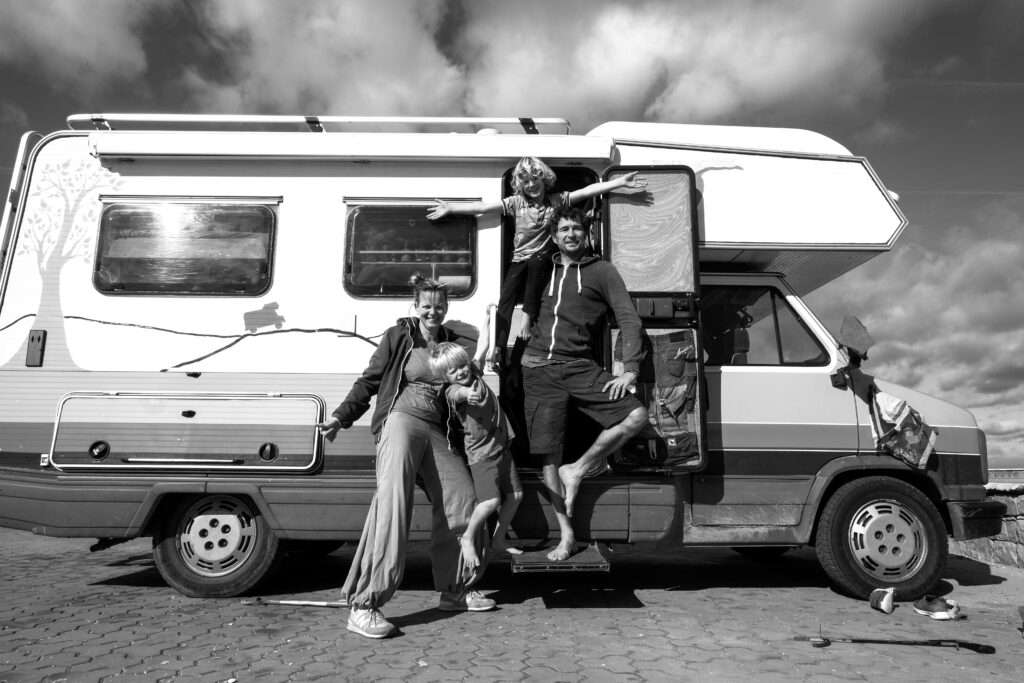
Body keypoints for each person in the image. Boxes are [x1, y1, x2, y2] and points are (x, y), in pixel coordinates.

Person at [317, 274, 495, 639]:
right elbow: (369, 381)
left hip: (436, 429)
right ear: (416, 306)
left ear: (447, 307)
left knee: (462, 498)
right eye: (426, 305)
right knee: (394, 504)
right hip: (400, 420)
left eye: (439, 305)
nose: (433, 311)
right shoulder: (398, 336)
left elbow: (468, 375)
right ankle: (365, 605)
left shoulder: (452, 342)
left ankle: (455, 589)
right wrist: (340, 417)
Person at [426, 157, 645, 365]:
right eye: (526, 181)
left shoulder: (557, 201)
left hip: (542, 258)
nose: (531, 185)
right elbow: (482, 208)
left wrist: (618, 182)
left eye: (535, 179)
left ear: (544, 179)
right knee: (506, 298)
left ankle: (527, 318)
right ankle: (499, 346)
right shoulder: (516, 203)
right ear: (520, 185)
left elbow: (587, 191)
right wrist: (451, 208)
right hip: (519, 258)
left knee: (537, 261)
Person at [520, 206, 648, 561]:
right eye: (564, 229)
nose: (571, 234)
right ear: (554, 236)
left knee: (636, 415)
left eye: (576, 228)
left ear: (587, 233)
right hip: (538, 369)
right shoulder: (542, 268)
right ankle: (565, 536)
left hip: (579, 366)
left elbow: (629, 320)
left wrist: (630, 370)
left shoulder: (602, 271)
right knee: (549, 456)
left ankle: (577, 469)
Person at [429, 341, 524, 570]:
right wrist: (467, 394)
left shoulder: (474, 372)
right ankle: (468, 537)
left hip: (501, 447)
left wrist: (487, 323)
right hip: (483, 455)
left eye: (462, 365)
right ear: (445, 377)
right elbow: (459, 394)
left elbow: (481, 349)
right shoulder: (453, 391)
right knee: (491, 501)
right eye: (453, 371)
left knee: (516, 495)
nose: (461, 372)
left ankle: (498, 539)